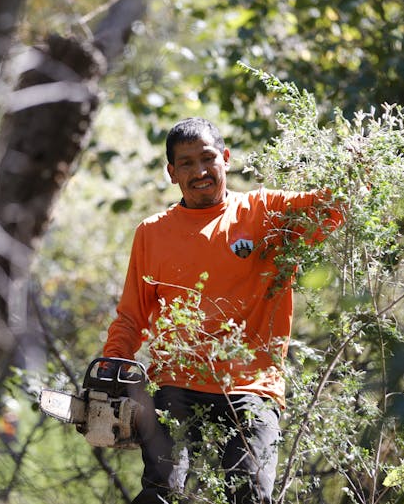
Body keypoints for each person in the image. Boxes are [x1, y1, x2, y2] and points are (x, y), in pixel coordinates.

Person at [101, 117, 344, 504]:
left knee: (250, 494)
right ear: (171, 173)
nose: (199, 171)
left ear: (226, 158)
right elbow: (132, 315)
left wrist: (358, 160)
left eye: (207, 157)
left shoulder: (264, 212)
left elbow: (334, 206)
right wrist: (111, 364)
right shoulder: (152, 232)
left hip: (250, 385)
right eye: (186, 163)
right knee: (160, 494)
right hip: (176, 383)